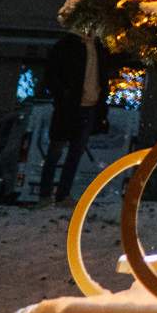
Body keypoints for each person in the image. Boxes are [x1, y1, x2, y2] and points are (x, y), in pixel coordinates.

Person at [39, 29, 104, 204]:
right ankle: (48, 194)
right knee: (59, 151)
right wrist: (64, 94)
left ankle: (59, 194)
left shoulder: (97, 46)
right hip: (71, 106)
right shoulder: (68, 46)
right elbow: (52, 75)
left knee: (71, 152)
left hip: (85, 105)